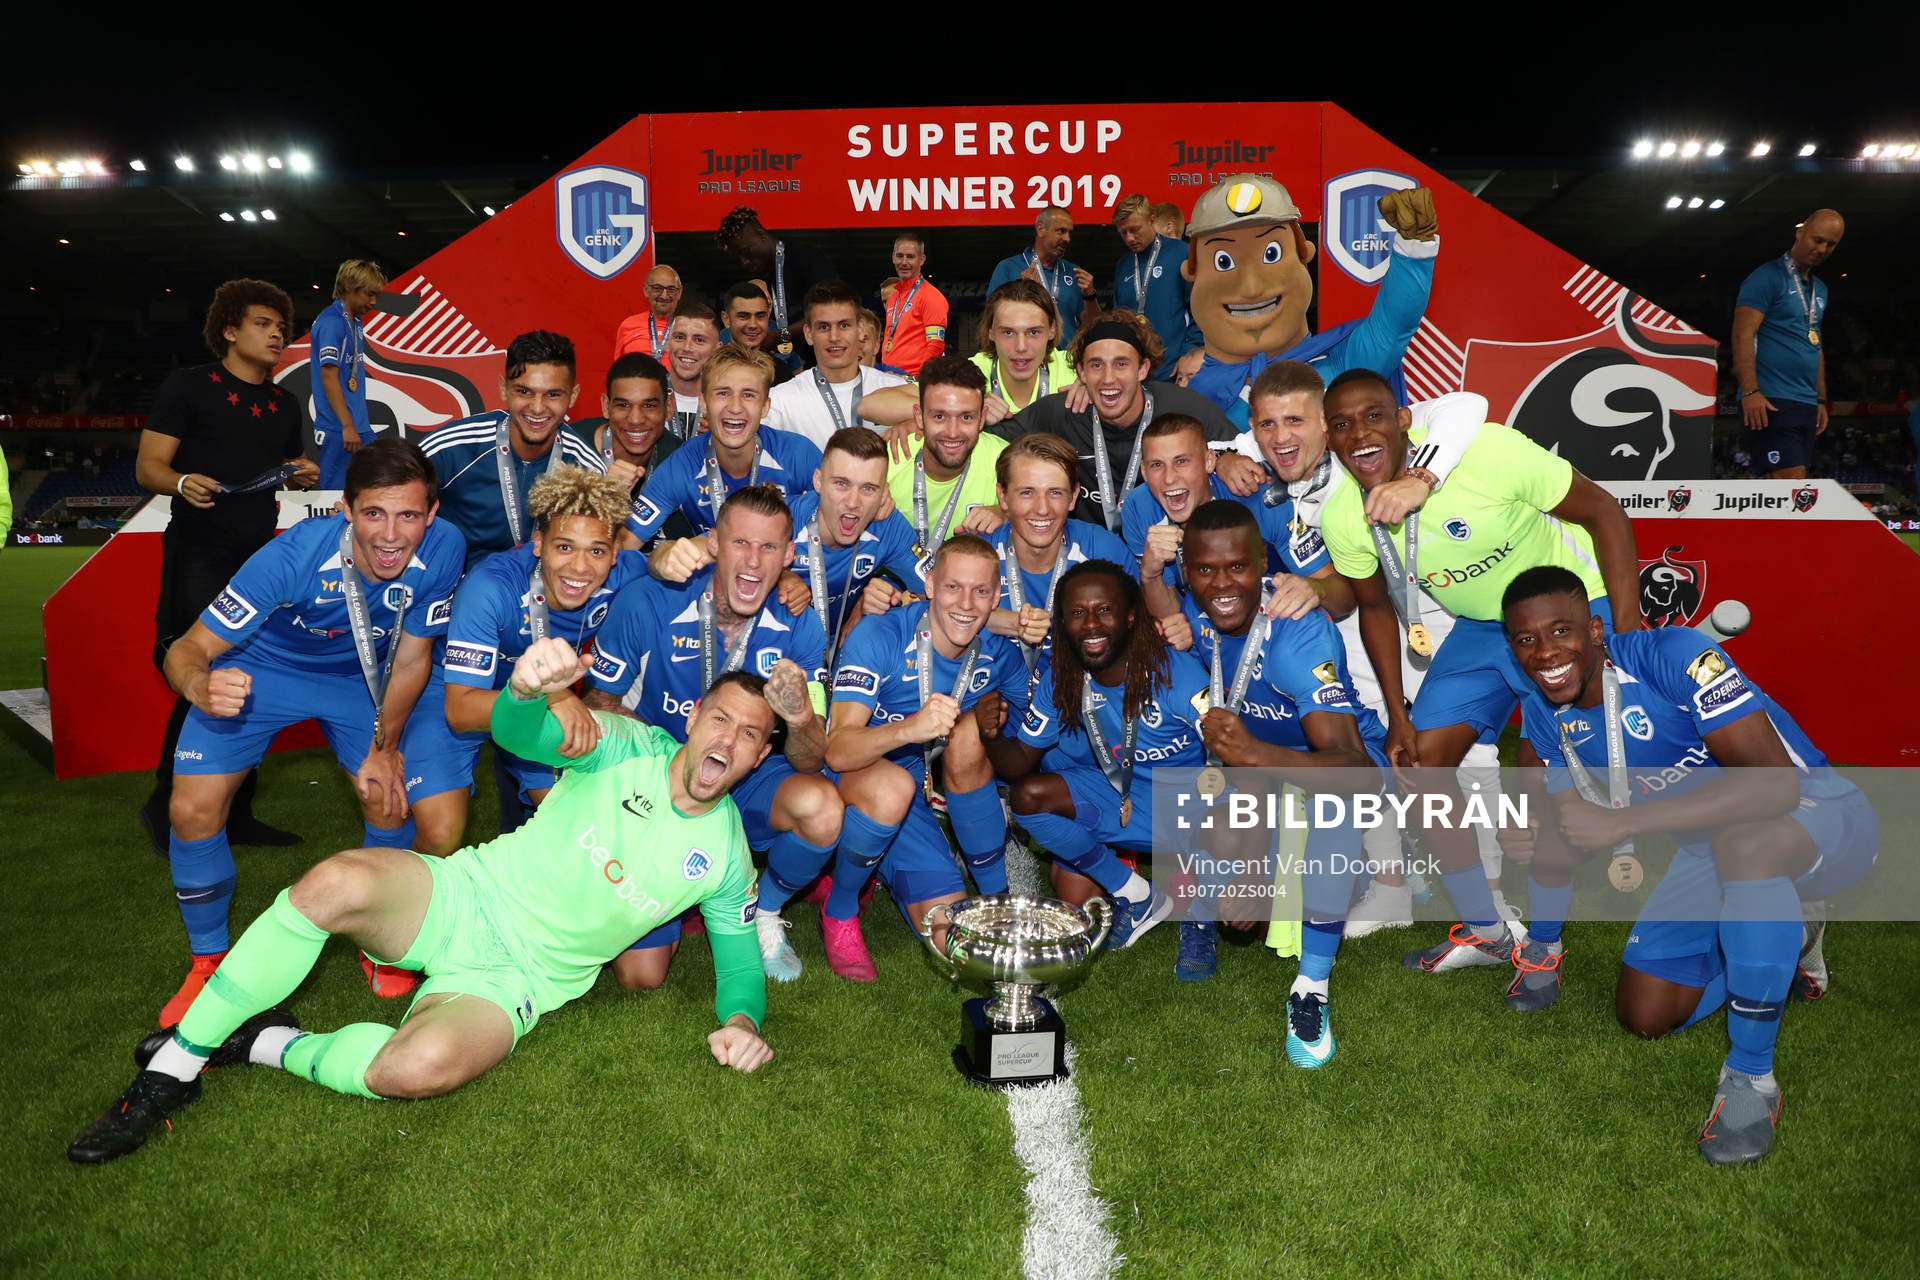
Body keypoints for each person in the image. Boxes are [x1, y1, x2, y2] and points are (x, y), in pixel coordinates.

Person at [68, 646, 778, 1166]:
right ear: (694, 719)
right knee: (333, 884)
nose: (728, 740)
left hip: (517, 981)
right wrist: (526, 692)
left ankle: (257, 1041)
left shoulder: (724, 854)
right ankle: (169, 1075)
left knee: (410, 1072)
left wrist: (742, 1022)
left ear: (758, 758)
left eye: (749, 735)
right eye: (721, 718)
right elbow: (524, 734)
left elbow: (740, 966)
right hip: (464, 895)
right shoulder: (628, 747)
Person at [1499, 566, 1877, 1164]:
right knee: (1645, 1015)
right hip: (1709, 846)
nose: (1545, 652)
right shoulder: (1547, 705)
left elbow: (1774, 786)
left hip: (1818, 813)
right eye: (1525, 639)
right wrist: (1529, 817)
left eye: (1561, 631)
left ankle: (1751, 1079)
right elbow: (1540, 762)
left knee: (1747, 848)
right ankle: (1792, 933)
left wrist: (1620, 824)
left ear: (1595, 630)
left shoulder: (1677, 655)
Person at [1315, 368, 1639, 973]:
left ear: (1404, 420)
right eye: (1341, 424)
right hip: (1481, 631)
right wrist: (1396, 716)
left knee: (1608, 763)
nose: (1359, 433)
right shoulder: (1344, 516)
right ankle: (1488, 930)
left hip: (1567, 612)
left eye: (1373, 416)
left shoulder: (1485, 452)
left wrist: (1627, 628)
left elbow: (1604, 511)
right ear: (1330, 440)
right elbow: (1375, 610)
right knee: (1419, 764)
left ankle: (1759, 876)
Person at [155, 440, 466, 1023]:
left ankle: (383, 944)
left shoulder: (446, 548)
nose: (391, 534)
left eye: (408, 515)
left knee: (388, 798)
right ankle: (207, 962)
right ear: (346, 509)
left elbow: (413, 658)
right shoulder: (291, 558)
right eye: (374, 513)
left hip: (358, 679)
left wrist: (385, 747)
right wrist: (199, 686)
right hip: (264, 672)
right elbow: (189, 648)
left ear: (432, 514)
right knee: (191, 811)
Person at [1243, 360, 1502, 933]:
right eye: (1266, 426)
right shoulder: (1272, 471)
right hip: (1360, 641)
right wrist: (1224, 454)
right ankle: (1392, 889)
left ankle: (1493, 898)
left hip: (1433, 624)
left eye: (1296, 422)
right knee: (1372, 752)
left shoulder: (1363, 460)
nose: (1281, 436)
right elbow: (1238, 437)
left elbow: (1466, 407)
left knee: (1469, 758)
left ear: (1325, 424)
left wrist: (1422, 477)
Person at [1159, 501, 1388, 1062]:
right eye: (1205, 571)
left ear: (1264, 563)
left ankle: (1312, 987)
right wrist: (1251, 867)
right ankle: (1215, 902)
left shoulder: (1295, 635)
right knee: (1204, 815)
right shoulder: (1195, 612)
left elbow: (1354, 770)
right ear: (1186, 572)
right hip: (1258, 763)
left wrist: (1256, 754)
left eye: (1237, 567)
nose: (1221, 585)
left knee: (1334, 816)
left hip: (1333, 764)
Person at [584, 487, 837, 989]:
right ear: (714, 542)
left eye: (769, 548)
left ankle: (764, 911)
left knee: (823, 807)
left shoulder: (801, 626)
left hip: (748, 779)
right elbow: (599, 711)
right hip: (663, 783)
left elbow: (811, 759)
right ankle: (681, 883)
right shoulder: (649, 601)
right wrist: (651, 764)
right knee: (641, 977)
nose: (753, 560)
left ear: (789, 555)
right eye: (740, 542)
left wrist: (803, 717)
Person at [134, 279, 317, 860]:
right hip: (198, 549)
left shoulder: (285, 404)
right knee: (198, 676)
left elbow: (286, 467)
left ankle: (237, 813)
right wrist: (182, 481)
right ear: (230, 330)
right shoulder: (189, 386)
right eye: (264, 323)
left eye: (281, 326)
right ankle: (167, 807)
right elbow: (148, 467)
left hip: (258, 559)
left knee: (249, 679)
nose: (277, 333)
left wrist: (299, 472)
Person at [815, 535, 1029, 978]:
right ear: (929, 584)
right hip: (839, 781)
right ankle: (839, 910)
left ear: (996, 597)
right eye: (953, 587)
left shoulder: (999, 655)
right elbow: (836, 750)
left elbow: (1030, 733)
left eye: (981, 591)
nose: (966, 604)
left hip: (905, 793)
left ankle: (992, 903)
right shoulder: (882, 634)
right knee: (891, 785)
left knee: (955, 941)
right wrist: (911, 728)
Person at [423, 466, 647, 853]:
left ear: (615, 555)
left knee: (576, 828)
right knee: (440, 831)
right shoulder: (491, 587)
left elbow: (697, 574)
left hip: (539, 703)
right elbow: (459, 710)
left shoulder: (626, 575)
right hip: (462, 694)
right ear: (538, 542)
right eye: (564, 547)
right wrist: (557, 697)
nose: (579, 567)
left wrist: (786, 579)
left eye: (596, 550)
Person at [979, 560, 1202, 945]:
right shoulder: (1064, 678)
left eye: (1104, 610)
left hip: (1194, 809)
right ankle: (1134, 891)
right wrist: (992, 734)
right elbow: (1018, 765)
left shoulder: (1177, 675)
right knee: (1028, 798)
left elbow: (1234, 758)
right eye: (1078, 613)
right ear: (1063, 625)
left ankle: (1200, 919)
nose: (1092, 624)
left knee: (1250, 913)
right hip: (1124, 798)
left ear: (1131, 616)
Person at [1181, 175, 1436, 423]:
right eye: (1223, 262)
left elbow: (1392, 325)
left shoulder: (1340, 365)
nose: (1251, 287)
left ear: (1304, 255)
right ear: (1192, 274)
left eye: (1272, 253)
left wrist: (1413, 250)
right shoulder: (1197, 399)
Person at [990, 310, 1264, 531]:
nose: (1108, 378)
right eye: (1096, 365)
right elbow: (984, 442)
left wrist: (1225, 458)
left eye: (1121, 364)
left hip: (1167, 558)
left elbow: (1246, 450)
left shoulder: (1183, 408)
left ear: (1143, 368)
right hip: (1084, 566)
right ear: (1081, 372)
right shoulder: (1063, 412)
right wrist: (980, 408)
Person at [418, 330, 622, 570]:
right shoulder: (449, 448)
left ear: (573, 396)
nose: (537, 408)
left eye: (553, 395)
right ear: (504, 388)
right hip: (453, 589)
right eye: (524, 391)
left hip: (540, 594)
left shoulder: (586, 469)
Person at [1122, 410, 1334, 606]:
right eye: (1157, 465)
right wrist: (1150, 574)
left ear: (1208, 461)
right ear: (1144, 471)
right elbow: (1170, 618)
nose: (1169, 478)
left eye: (1182, 461)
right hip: (1199, 631)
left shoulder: (1258, 497)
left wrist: (1316, 590)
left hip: (1267, 621)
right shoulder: (1137, 508)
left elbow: (1336, 591)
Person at [628, 346, 822, 540]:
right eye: (722, 393)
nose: (735, 407)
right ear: (703, 403)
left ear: (765, 407)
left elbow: (844, 515)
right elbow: (627, 542)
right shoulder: (682, 465)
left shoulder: (798, 454)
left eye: (748, 395)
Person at [983, 433, 1132, 677]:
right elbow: (939, 617)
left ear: (1073, 497)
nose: (1042, 509)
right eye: (1027, 493)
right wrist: (1001, 621)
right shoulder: (978, 556)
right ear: (1003, 496)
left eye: (1055, 493)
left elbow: (1138, 632)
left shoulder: (1104, 552)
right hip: (999, 701)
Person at [859, 280, 1077, 430]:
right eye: (1008, 332)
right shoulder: (974, 372)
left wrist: (1096, 394)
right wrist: (968, 407)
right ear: (990, 332)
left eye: (1033, 332)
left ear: (1052, 331)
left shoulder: (1074, 370)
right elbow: (871, 405)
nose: (1021, 346)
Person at [1733, 210, 1845, 479]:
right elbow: (1742, 335)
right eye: (1817, 240)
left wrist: (1820, 398)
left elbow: (1814, 344)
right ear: (1800, 232)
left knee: (1786, 488)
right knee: (1790, 485)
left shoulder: (1821, 290)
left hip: (1804, 402)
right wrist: (1750, 392)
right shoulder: (1765, 278)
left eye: (1830, 244)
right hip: (1771, 400)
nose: (1822, 249)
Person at [764, 282, 909, 449]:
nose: (834, 337)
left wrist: (916, 423)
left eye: (844, 325)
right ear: (808, 334)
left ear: (860, 329)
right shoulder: (780, 401)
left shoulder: (895, 388)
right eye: (823, 327)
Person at [570, 352, 691, 543]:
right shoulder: (569, 449)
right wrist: (603, 497)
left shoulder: (682, 460)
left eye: (649, 406)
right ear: (605, 406)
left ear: (668, 407)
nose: (636, 419)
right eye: (624, 405)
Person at [715, 206, 838, 362]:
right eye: (738, 257)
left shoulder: (805, 256)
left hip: (827, 358)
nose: (744, 262)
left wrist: (780, 336)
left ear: (761, 235)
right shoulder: (769, 275)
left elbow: (829, 311)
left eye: (746, 252)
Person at [310, 259, 386, 489]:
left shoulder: (355, 321)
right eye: (369, 295)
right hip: (339, 429)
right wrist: (346, 426)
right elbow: (329, 376)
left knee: (371, 490)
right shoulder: (332, 322)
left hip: (359, 426)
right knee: (336, 498)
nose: (373, 302)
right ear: (347, 287)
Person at [1111, 195, 1202, 382]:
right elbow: (1118, 319)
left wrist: (1188, 354)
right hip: (1133, 374)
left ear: (1152, 220)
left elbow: (1200, 310)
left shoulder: (1181, 253)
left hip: (1172, 370)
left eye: (1135, 230)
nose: (1130, 238)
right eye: (1123, 232)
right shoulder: (1123, 265)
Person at [988, 207, 1095, 345]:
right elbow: (992, 319)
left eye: (1069, 233)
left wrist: (1090, 295)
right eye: (1061, 231)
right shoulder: (1007, 268)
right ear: (1040, 229)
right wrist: (1024, 291)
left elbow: (1092, 326)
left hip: (1067, 361)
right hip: (1025, 357)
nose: (1067, 239)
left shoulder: (1074, 272)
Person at [879, 232, 947, 377]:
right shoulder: (893, 297)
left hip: (912, 380)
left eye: (910, 257)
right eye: (899, 256)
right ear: (893, 257)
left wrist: (920, 379)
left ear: (921, 260)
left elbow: (935, 345)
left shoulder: (932, 297)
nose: (904, 262)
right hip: (888, 377)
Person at [664, 300, 721, 438]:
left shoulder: (729, 404)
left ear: (717, 350)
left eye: (699, 340)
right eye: (679, 337)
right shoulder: (647, 399)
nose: (687, 348)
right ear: (667, 344)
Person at [612, 264, 683, 360]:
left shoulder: (689, 326)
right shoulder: (628, 325)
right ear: (646, 290)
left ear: (679, 293)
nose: (664, 296)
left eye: (671, 289)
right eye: (657, 288)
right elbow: (619, 370)